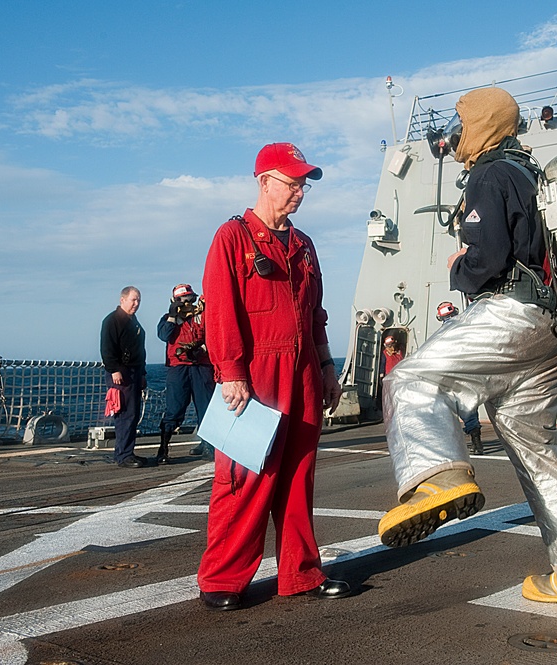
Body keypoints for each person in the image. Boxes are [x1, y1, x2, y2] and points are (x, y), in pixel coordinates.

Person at [378, 87, 557, 608]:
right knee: (537, 449)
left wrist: (460, 264)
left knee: (410, 380)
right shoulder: (530, 172)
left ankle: (439, 478)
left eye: (462, 122)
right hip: (551, 329)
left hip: (511, 314)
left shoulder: (489, 173)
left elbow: (487, 259)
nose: (455, 134)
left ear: (482, 124)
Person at [197, 142, 348, 611]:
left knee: (298, 475)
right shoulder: (233, 238)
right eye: (291, 182)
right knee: (243, 475)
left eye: (303, 183)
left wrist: (326, 367)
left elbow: (315, 314)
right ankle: (222, 579)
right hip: (257, 370)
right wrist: (230, 372)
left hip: (303, 369)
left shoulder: (303, 246)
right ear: (264, 181)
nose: (299, 191)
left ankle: (300, 572)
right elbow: (221, 311)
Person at [155, 284, 215, 464]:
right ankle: (163, 448)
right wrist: (173, 316)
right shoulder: (167, 319)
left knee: (206, 408)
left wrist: (201, 349)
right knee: (174, 409)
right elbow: (164, 335)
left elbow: (212, 336)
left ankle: (208, 445)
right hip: (178, 368)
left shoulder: (202, 317)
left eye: (190, 299)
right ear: (174, 302)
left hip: (201, 367)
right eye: (184, 300)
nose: (188, 303)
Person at [100, 286, 147, 469]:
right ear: (122, 300)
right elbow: (107, 347)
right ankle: (123, 455)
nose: (136, 304)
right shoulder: (112, 321)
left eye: (138, 301)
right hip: (121, 373)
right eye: (133, 300)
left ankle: (128, 451)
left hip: (134, 372)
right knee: (124, 413)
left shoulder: (133, 321)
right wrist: (114, 370)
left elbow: (140, 351)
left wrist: (142, 373)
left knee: (133, 413)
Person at [436, 301, 484, 455]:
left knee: (445, 407)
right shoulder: (467, 327)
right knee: (469, 407)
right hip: (469, 373)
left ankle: (450, 445)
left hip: (450, 373)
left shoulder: (441, 334)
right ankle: (477, 444)